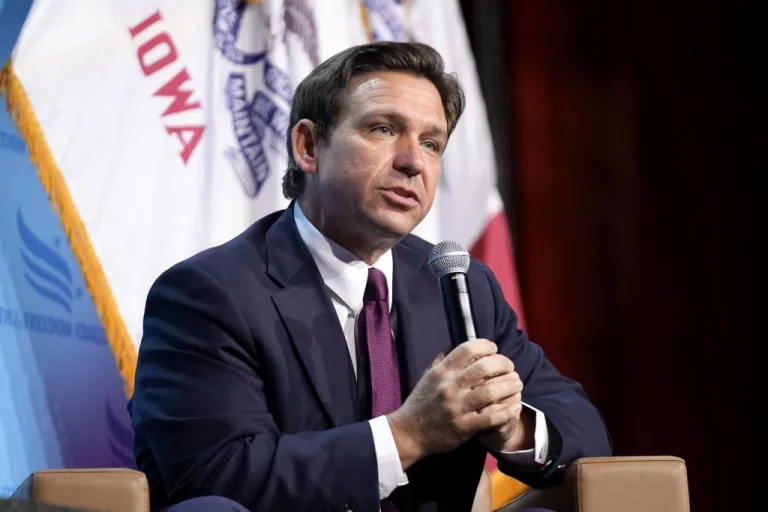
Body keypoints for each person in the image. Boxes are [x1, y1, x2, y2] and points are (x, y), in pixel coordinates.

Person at [128, 41, 611, 512]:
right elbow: (217, 476)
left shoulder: (460, 286)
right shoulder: (209, 295)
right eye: (383, 129)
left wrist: (514, 428)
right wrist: (408, 434)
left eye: (431, 143)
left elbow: (585, 433)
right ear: (309, 146)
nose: (412, 162)